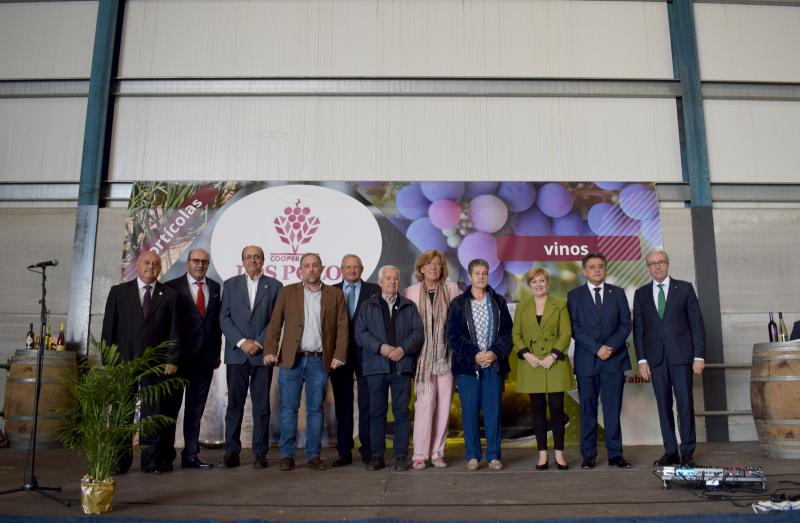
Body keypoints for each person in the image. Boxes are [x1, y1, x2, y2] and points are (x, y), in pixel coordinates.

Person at [263, 253, 349, 471]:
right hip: (290, 361)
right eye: (306, 266)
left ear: (322, 268)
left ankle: (313, 455)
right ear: (300, 270)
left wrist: (339, 354)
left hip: (319, 362)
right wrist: (270, 350)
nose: (311, 269)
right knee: (288, 409)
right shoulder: (287, 292)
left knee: (315, 410)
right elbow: (275, 324)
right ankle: (287, 456)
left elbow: (342, 328)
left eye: (314, 265)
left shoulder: (335, 295)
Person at [101, 250, 179, 474]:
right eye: (146, 263)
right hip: (123, 364)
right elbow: (109, 329)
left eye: (155, 264)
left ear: (160, 268)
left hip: (156, 366)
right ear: (137, 264)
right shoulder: (118, 293)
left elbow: (175, 331)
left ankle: (151, 462)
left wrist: (172, 359)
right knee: (122, 413)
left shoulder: (170, 295)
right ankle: (119, 462)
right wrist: (110, 362)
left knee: (151, 416)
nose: (151, 267)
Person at [633, 250, 705, 467]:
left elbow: (696, 324)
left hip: (682, 356)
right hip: (656, 359)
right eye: (652, 263)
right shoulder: (641, 293)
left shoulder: (684, 288)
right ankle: (671, 451)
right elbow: (639, 329)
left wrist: (699, 356)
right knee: (663, 405)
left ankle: (688, 453)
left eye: (661, 262)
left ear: (668, 264)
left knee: (685, 405)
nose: (657, 266)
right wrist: (642, 360)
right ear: (648, 267)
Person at [445, 259, 513, 471]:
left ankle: (493, 456)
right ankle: (473, 456)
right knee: (470, 412)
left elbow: (507, 334)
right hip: (468, 368)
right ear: (469, 277)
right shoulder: (458, 303)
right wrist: (475, 355)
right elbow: (452, 336)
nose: (481, 277)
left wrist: (494, 353)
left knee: (493, 412)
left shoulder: (498, 301)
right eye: (477, 273)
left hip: (494, 365)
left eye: (485, 273)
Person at [567, 252, 632, 469]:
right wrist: (596, 349)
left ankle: (615, 454)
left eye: (601, 266)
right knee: (587, 409)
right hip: (587, 361)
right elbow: (575, 328)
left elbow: (626, 324)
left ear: (605, 269)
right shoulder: (574, 295)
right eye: (592, 266)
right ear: (584, 271)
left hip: (614, 360)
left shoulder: (618, 293)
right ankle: (588, 455)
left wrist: (610, 347)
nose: (597, 270)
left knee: (612, 408)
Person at [355, 265, 423, 471]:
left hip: (401, 367)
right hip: (376, 367)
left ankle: (401, 457)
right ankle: (377, 456)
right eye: (388, 278)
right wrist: (381, 348)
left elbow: (418, 333)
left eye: (395, 279)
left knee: (402, 413)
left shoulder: (409, 306)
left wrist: (403, 349)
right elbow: (361, 334)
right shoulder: (368, 306)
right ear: (380, 282)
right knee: (377, 413)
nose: (392, 282)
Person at [219, 245, 282, 469]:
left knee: (261, 406)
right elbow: (224, 318)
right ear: (242, 261)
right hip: (237, 355)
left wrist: (257, 342)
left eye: (257, 257)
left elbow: (276, 320)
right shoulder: (230, 285)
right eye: (248, 257)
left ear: (263, 260)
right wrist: (242, 342)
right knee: (234, 405)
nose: (252, 260)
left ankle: (260, 453)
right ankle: (231, 452)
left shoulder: (275, 286)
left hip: (262, 355)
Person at [402, 249, 461, 470]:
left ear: (442, 268)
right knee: (425, 404)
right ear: (421, 268)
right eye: (429, 264)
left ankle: (437, 452)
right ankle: (419, 453)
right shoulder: (411, 291)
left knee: (444, 405)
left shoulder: (452, 289)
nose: (433, 268)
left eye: (437, 264)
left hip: (447, 357)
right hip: (422, 359)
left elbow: (458, 323)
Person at [164, 248, 222, 469]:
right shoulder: (172, 287)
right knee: (171, 408)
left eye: (204, 262)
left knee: (195, 410)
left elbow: (214, 325)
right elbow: (167, 325)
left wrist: (216, 354)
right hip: (177, 361)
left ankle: (190, 455)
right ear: (188, 262)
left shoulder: (215, 288)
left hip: (205, 360)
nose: (200, 265)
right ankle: (166, 454)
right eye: (196, 261)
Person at [512, 267, 574, 470]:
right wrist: (526, 355)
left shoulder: (560, 305)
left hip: (555, 363)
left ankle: (559, 454)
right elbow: (516, 335)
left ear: (547, 283)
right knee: (537, 410)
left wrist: (554, 355)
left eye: (542, 281)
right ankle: (542, 455)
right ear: (529, 285)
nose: (538, 285)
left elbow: (566, 333)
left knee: (557, 408)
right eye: (534, 281)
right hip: (532, 364)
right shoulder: (522, 306)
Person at [331, 254, 381, 466]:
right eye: (348, 267)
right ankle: (344, 452)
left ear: (362, 269)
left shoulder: (374, 291)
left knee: (367, 404)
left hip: (367, 354)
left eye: (356, 267)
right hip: (339, 354)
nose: (352, 270)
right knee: (343, 404)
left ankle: (367, 450)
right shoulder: (330, 291)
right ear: (341, 269)